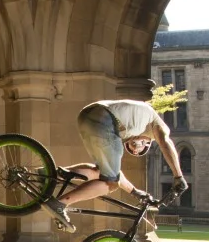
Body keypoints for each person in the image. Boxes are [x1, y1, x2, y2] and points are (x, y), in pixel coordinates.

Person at [46, 98, 188, 232]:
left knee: (101, 172)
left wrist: (135, 192)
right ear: (146, 143)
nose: (134, 146)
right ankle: (59, 203)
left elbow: (116, 174)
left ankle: (48, 174)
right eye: (134, 145)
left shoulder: (134, 120)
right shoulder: (156, 122)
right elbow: (165, 142)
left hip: (86, 116)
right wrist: (178, 176)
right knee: (111, 184)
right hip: (105, 119)